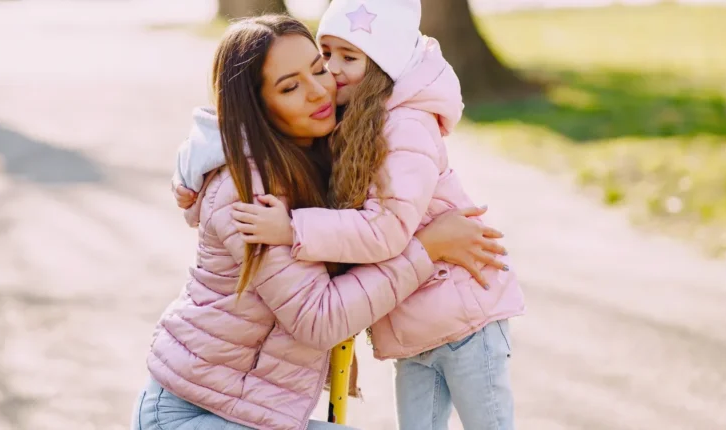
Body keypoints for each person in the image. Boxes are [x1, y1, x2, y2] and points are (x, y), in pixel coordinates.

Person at [135, 15, 491, 430]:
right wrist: (429, 249)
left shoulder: (325, 149)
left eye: (319, 68)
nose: (319, 90)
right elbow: (319, 318)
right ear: (257, 108)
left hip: (251, 410)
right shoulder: (249, 194)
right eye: (290, 87)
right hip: (196, 413)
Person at [226, 1, 526, 428]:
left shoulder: (404, 126)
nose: (333, 69)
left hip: (465, 317)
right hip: (415, 331)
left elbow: (387, 229)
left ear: (385, 66)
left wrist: (292, 227)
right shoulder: (351, 123)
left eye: (350, 58)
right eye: (326, 53)